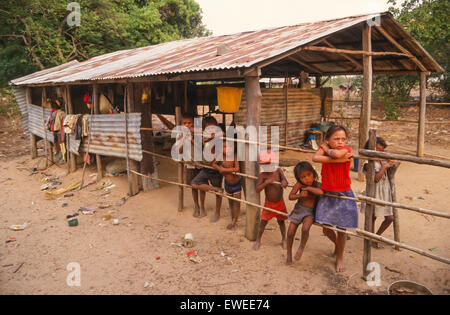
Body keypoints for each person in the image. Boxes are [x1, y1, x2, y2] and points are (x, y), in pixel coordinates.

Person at [312, 125, 358, 273]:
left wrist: (326, 150)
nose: (340, 142)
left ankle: (340, 257)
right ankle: (339, 246)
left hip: (343, 193)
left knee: (342, 229)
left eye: (343, 139)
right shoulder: (324, 148)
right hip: (327, 193)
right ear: (327, 140)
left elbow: (337, 155)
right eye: (336, 139)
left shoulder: (347, 150)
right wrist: (332, 158)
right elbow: (315, 158)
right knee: (325, 228)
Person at [362, 137, 399, 248]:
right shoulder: (367, 163)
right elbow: (375, 179)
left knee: (390, 218)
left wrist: (388, 160)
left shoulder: (382, 160)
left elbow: (395, 162)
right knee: (372, 217)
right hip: (374, 192)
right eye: (378, 150)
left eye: (382, 151)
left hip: (384, 192)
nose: (380, 153)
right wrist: (384, 167)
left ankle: (376, 236)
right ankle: (372, 238)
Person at [286, 162, 323, 265]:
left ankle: (301, 247)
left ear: (313, 173)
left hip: (309, 212)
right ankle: (288, 254)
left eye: (309, 175)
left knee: (305, 228)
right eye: (303, 177)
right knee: (290, 233)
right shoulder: (299, 185)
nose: (307, 179)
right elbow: (290, 196)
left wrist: (309, 188)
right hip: (298, 210)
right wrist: (300, 195)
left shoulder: (317, 185)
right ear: (299, 179)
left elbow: (321, 192)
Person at [253, 150, 288, 250]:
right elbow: (257, 189)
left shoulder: (279, 171)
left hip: (280, 203)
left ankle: (284, 240)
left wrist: (284, 182)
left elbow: (285, 181)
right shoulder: (263, 175)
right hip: (268, 204)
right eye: (265, 166)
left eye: (270, 165)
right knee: (263, 223)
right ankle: (258, 240)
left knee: (281, 222)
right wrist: (266, 183)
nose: (267, 168)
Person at [191, 116, 223, 221]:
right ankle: (215, 190)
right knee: (195, 184)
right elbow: (204, 142)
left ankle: (217, 213)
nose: (211, 131)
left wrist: (215, 163)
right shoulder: (206, 139)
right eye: (208, 129)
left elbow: (221, 152)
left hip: (214, 170)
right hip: (205, 169)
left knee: (218, 194)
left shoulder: (219, 138)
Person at [212, 141, 242, 229]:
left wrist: (224, 170)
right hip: (227, 184)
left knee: (237, 203)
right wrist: (219, 168)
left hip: (236, 183)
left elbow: (237, 168)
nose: (228, 149)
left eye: (230, 147)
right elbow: (213, 163)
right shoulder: (221, 156)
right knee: (230, 202)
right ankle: (233, 217)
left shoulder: (234, 156)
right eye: (225, 147)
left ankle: (234, 221)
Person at [178, 114, 203, 217]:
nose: (187, 125)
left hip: (200, 163)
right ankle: (197, 206)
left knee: (201, 185)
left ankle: (203, 206)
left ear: (193, 124)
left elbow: (202, 148)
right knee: (193, 186)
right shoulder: (180, 135)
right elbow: (179, 151)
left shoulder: (198, 134)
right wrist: (184, 139)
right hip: (190, 164)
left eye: (189, 123)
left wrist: (192, 139)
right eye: (185, 123)